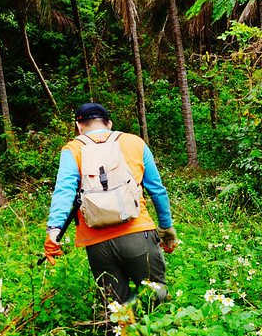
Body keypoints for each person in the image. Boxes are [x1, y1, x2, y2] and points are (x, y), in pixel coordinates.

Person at [43, 102, 178, 306]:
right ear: (109, 123)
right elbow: (157, 190)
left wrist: (54, 231)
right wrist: (166, 228)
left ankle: (126, 325)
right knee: (156, 292)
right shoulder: (135, 142)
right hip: (137, 232)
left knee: (116, 306)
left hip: (97, 243)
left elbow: (64, 191)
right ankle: (150, 328)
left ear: (78, 127)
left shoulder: (72, 149)